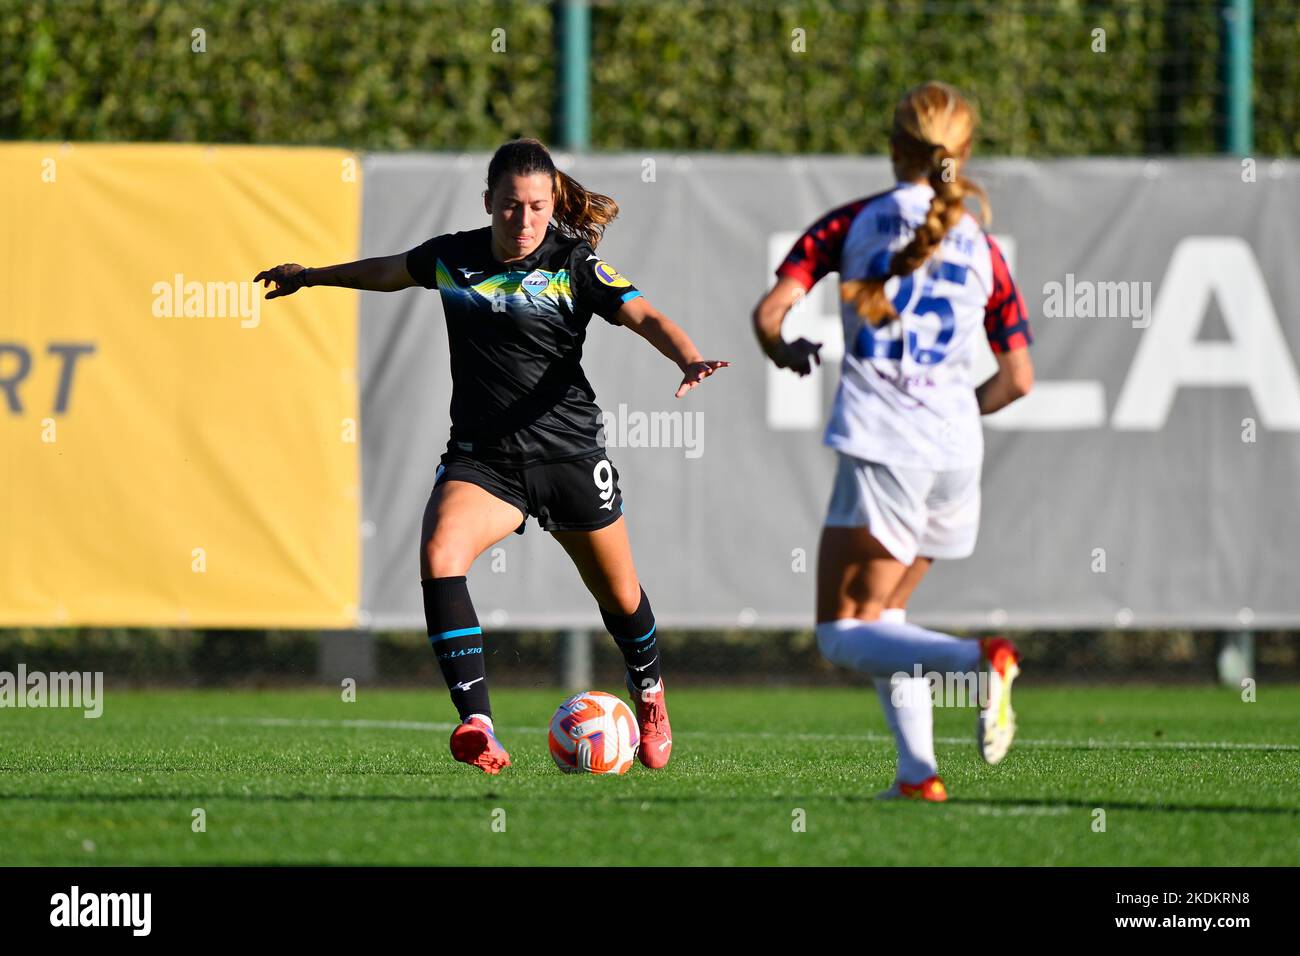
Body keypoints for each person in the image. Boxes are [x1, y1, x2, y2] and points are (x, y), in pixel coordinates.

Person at [256, 138, 728, 774]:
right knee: (440, 552)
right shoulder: (454, 257)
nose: (524, 220)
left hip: (568, 456)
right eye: (510, 206)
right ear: (488, 203)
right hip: (486, 462)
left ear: (552, 202)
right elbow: (386, 272)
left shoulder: (574, 264)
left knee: (618, 596)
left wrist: (687, 355)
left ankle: (649, 696)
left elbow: (644, 314)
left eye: (537, 207)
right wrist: (312, 276)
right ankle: (478, 722)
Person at [751, 82, 1034, 801]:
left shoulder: (855, 222)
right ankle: (918, 775)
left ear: (894, 147)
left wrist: (784, 352)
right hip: (957, 453)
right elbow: (1019, 379)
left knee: (839, 632)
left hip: (886, 442)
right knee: (888, 618)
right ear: (963, 155)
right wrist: (955, 411)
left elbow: (770, 313)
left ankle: (982, 662)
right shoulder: (982, 248)